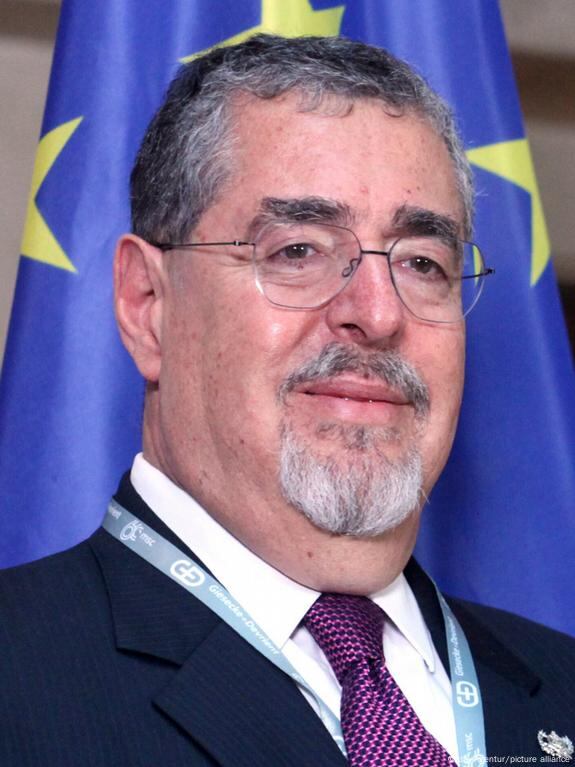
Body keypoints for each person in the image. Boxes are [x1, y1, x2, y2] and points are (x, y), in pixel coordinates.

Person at [1, 34, 574, 767]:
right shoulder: (18, 680)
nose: (377, 313)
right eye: (297, 251)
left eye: (422, 262)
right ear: (148, 304)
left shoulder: (560, 689)